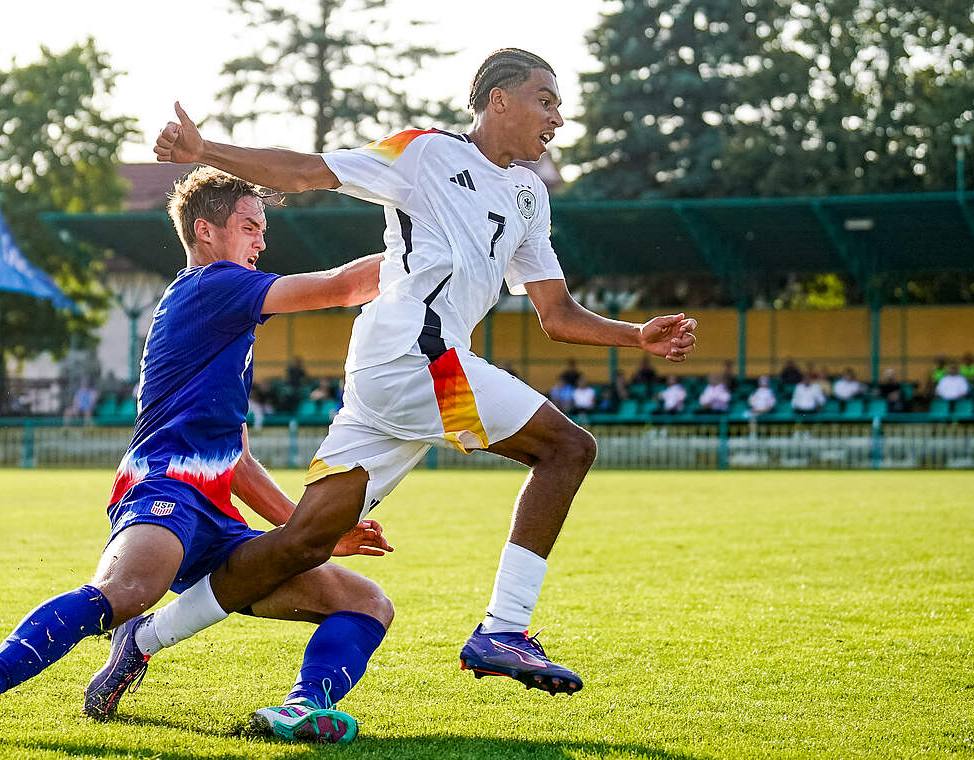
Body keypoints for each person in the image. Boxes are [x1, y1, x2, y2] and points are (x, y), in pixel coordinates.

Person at [143, 48, 696, 698]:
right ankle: (505, 629)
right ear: (498, 100)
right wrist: (205, 147)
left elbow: (556, 313)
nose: (558, 118)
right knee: (568, 448)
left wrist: (634, 335)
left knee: (302, 543)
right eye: (545, 100)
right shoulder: (424, 151)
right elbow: (305, 172)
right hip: (416, 355)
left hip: (396, 373)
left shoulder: (527, 195)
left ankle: (142, 640)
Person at [0, 168, 395, 747]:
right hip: (165, 484)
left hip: (217, 514)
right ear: (206, 232)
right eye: (250, 227)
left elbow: (236, 460)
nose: (261, 242)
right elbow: (342, 288)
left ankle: (301, 707)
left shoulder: (224, 320)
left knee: (366, 602)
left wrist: (309, 532)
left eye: (262, 230)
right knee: (127, 591)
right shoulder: (211, 285)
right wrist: (430, 249)